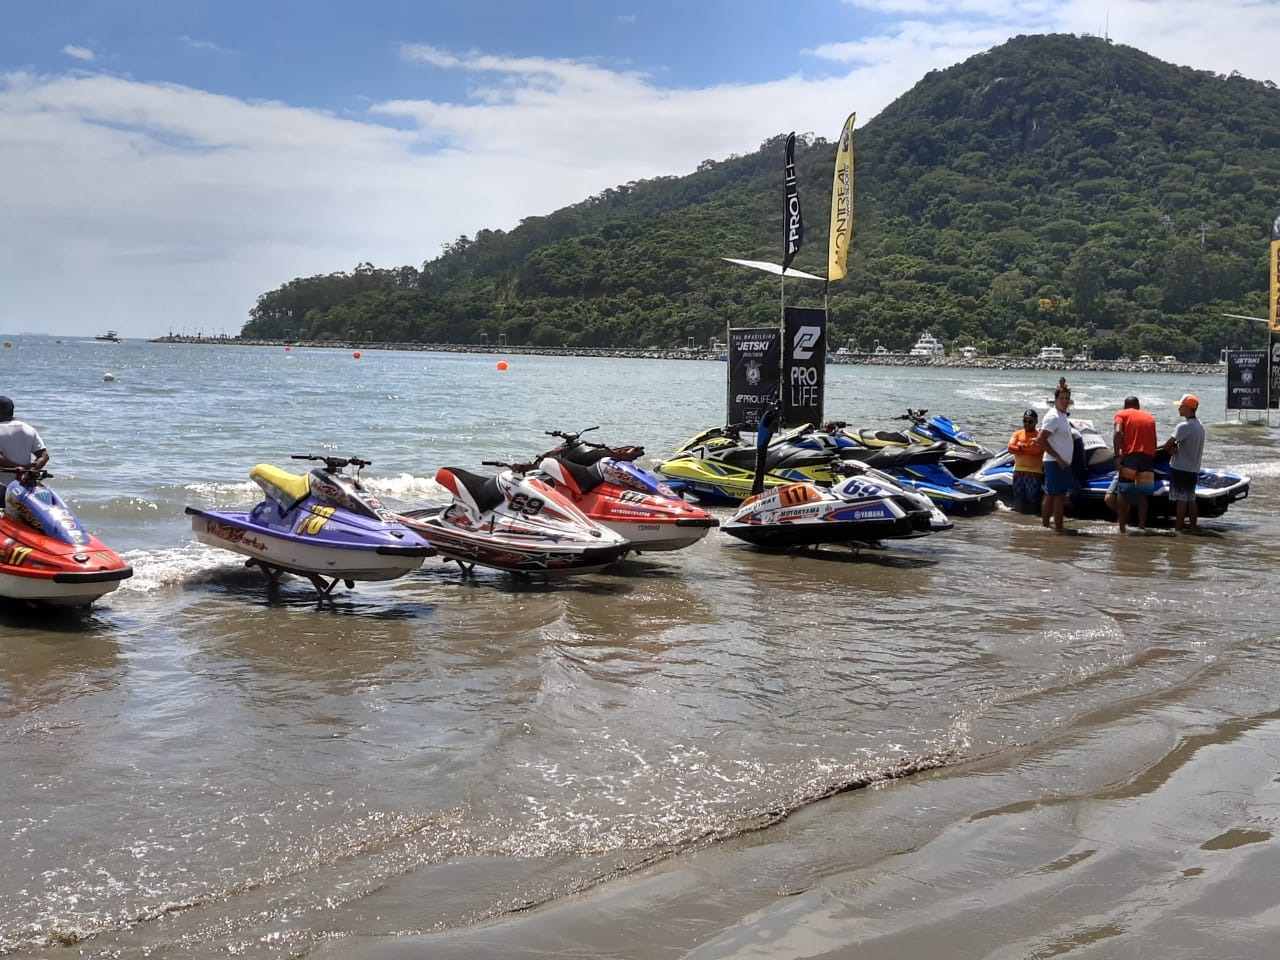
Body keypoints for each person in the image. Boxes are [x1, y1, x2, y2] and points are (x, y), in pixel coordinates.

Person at [1107, 395, 1157, 533]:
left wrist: (1117, 455)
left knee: (1123, 491)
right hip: (1148, 457)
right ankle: (1142, 527)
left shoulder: (1121, 414)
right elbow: (1154, 440)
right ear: (1138, 407)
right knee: (1143, 494)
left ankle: (1122, 528)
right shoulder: (1149, 417)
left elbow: (1118, 433)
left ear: (1125, 406)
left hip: (1130, 456)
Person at [1163, 393, 1205, 533]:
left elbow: (1166, 446)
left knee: (1181, 501)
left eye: (1181, 407)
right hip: (1193, 468)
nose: (1179, 409)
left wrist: (1171, 450)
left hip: (1180, 468)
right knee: (1191, 499)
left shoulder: (1183, 426)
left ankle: (1178, 530)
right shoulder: (1200, 426)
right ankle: (1193, 528)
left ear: (1188, 408)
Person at [1037, 386, 1074, 532]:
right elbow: (1041, 439)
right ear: (1055, 400)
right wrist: (1058, 458)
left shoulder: (1062, 415)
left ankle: (1047, 526)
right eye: (1061, 399)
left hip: (1060, 463)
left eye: (1066, 399)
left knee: (1052, 494)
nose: (1064, 402)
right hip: (1055, 462)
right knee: (1058, 495)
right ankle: (1058, 528)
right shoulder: (1053, 416)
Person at [0, 396, 50, 475]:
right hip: (24, 483)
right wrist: (29, 471)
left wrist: (17, 468)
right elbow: (44, 456)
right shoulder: (28, 428)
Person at [1007, 409, 1044, 514]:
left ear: (1036, 422)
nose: (1027, 424)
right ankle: (1019, 520)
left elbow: (1036, 451)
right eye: (1025, 421)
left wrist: (1020, 446)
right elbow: (1010, 448)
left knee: (1033, 499)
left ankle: (1033, 520)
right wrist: (1028, 447)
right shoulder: (1017, 434)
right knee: (1018, 498)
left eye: (1030, 421)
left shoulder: (1039, 436)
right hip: (1019, 471)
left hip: (1034, 472)